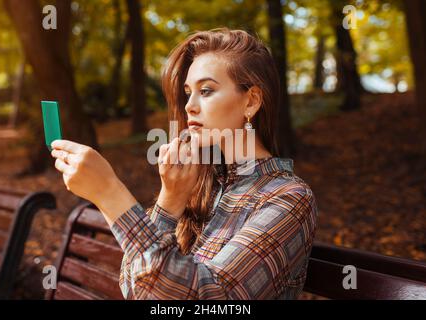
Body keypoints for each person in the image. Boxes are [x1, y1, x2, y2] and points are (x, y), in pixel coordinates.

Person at [51, 28, 318, 300]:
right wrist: (169, 201)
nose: (189, 105)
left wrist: (109, 194)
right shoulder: (197, 183)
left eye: (206, 90)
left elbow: (210, 298)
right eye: (188, 92)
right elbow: (135, 290)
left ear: (250, 101)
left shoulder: (288, 199)